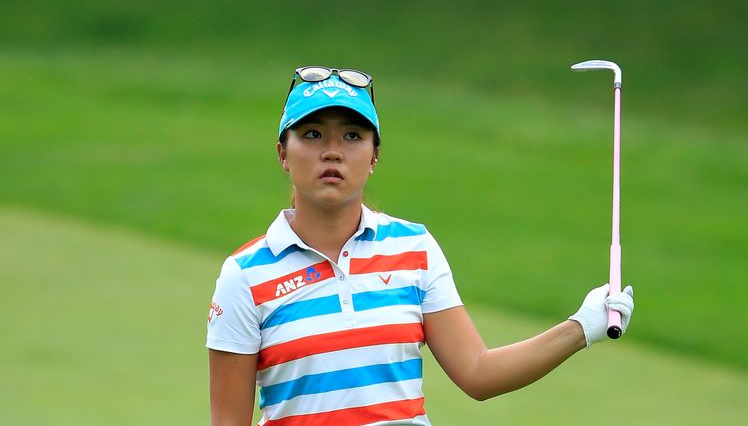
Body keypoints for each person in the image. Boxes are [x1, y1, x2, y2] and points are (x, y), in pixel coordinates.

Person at [206, 66, 635, 426]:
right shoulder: (245, 275)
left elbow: (478, 372)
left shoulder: (414, 247)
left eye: (353, 136)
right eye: (313, 134)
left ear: (374, 157)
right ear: (283, 152)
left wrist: (582, 326)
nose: (333, 152)